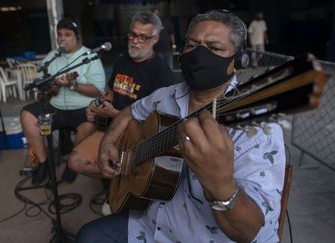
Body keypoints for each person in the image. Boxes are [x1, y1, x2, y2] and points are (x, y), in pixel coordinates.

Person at [77, 10, 286, 243]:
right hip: (150, 224)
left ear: (238, 62)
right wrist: (109, 142)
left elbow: (251, 233)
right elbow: (129, 112)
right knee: (88, 235)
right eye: (193, 45)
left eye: (215, 48)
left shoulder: (256, 129)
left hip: (204, 236)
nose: (199, 55)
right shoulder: (165, 96)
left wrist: (221, 185)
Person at [67, 11, 174, 179]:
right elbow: (110, 91)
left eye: (142, 37)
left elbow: (157, 124)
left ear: (155, 40)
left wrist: (114, 114)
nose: (135, 41)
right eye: (132, 34)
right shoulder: (122, 60)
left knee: (130, 169)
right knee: (75, 161)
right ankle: (118, 177)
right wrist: (97, 105)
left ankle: (122, 181)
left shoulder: (162, 74)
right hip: (111, 130)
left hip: (137, 139)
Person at [20, 18, 106, 185]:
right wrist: (50, 89)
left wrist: (73, 85)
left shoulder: (89, 56)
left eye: (68, 35)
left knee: (88, 125)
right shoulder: (52, 57)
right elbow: (42, 89)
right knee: (27, 115)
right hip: (56, 107)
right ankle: (44, 163)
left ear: (77, 37)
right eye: (59, 35)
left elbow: (98, 90)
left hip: (83, 108)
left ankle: (71, 164)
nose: (62, 38)